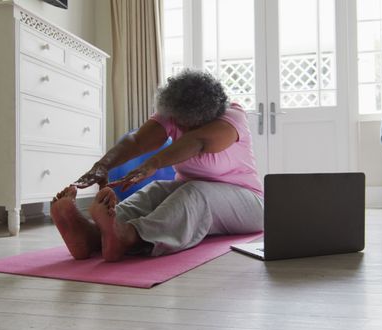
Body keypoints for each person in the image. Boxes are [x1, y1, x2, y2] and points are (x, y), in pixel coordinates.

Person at [51, 69, 264, 262]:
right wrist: (102, 166)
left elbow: (197, 142)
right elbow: (136, 141)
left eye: (189, 125)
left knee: (195, 192)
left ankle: (131, 237)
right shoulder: (174, 113)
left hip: (249, 204)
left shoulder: (233, 115)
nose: (181, 128)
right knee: (157, 189)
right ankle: (92, 234)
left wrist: (153, 163)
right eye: (179, 123)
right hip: (194, 193)